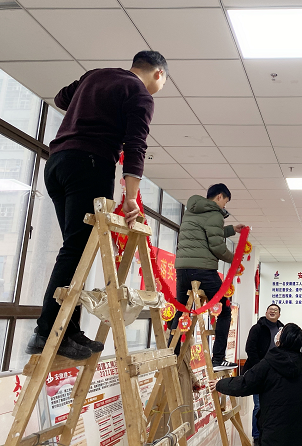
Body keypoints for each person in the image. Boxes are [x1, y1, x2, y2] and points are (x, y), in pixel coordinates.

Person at [27, 51, 168, 360]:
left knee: (76, 248)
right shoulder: (140, 94)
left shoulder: (96, 75)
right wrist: (130, 198)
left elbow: (62, 98)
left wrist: (89, 103)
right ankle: (46, 331)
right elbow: (136, 146)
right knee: (76, 249)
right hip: (90, 164)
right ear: (159, 74)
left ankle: (68, 330)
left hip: (57, 163)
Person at [170, 183, 245, 370]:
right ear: (219, 196)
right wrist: (235, 259)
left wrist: (231, 229)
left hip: (182, 270)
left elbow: (206, 232)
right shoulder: (215, 214)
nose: (224, 206)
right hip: (203, 270)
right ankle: (218, 359)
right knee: (225, 309)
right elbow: (216, 246)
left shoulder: (191, 211)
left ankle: (171, 353)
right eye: (225, 201)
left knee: (181, 309)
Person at [214, 323, 302, 446]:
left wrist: (219, 384)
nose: (278, 332)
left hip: (273, 432)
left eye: (282, 331)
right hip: (300, 433)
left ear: (283, 339)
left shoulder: (268, 363)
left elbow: (244, 384)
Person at [244, 304, 284, 444]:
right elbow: (250, 348)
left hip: (276, 373)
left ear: (279, 315)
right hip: (259, 372)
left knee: (275, 405)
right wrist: (259, 367)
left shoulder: (282, 329)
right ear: (266, 312)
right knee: (259, 405)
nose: (272, 311)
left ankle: (270, 433)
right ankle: (257, 435)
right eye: (270, 309)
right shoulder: (257, 328)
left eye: (275, 310)